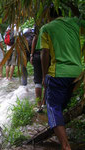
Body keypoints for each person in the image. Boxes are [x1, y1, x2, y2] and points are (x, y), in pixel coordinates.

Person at [36, 6, 85, 150]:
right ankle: (58, 128)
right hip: (77, 74)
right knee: (61, 105)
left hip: (58, 73)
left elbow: (44, 53)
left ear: (48, 16)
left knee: (52, 106)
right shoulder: (75, 23)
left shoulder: (47, 28)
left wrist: (45, 76)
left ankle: (65, 145)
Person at [30, 33, 45, 111]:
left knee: (38, 81)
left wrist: (31, 55)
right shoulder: (53, 25)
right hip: (48, 55)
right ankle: (44, 103)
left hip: (38, 54)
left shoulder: (39, 25)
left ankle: (39, 105)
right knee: (47, 78)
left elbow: (35, 39)